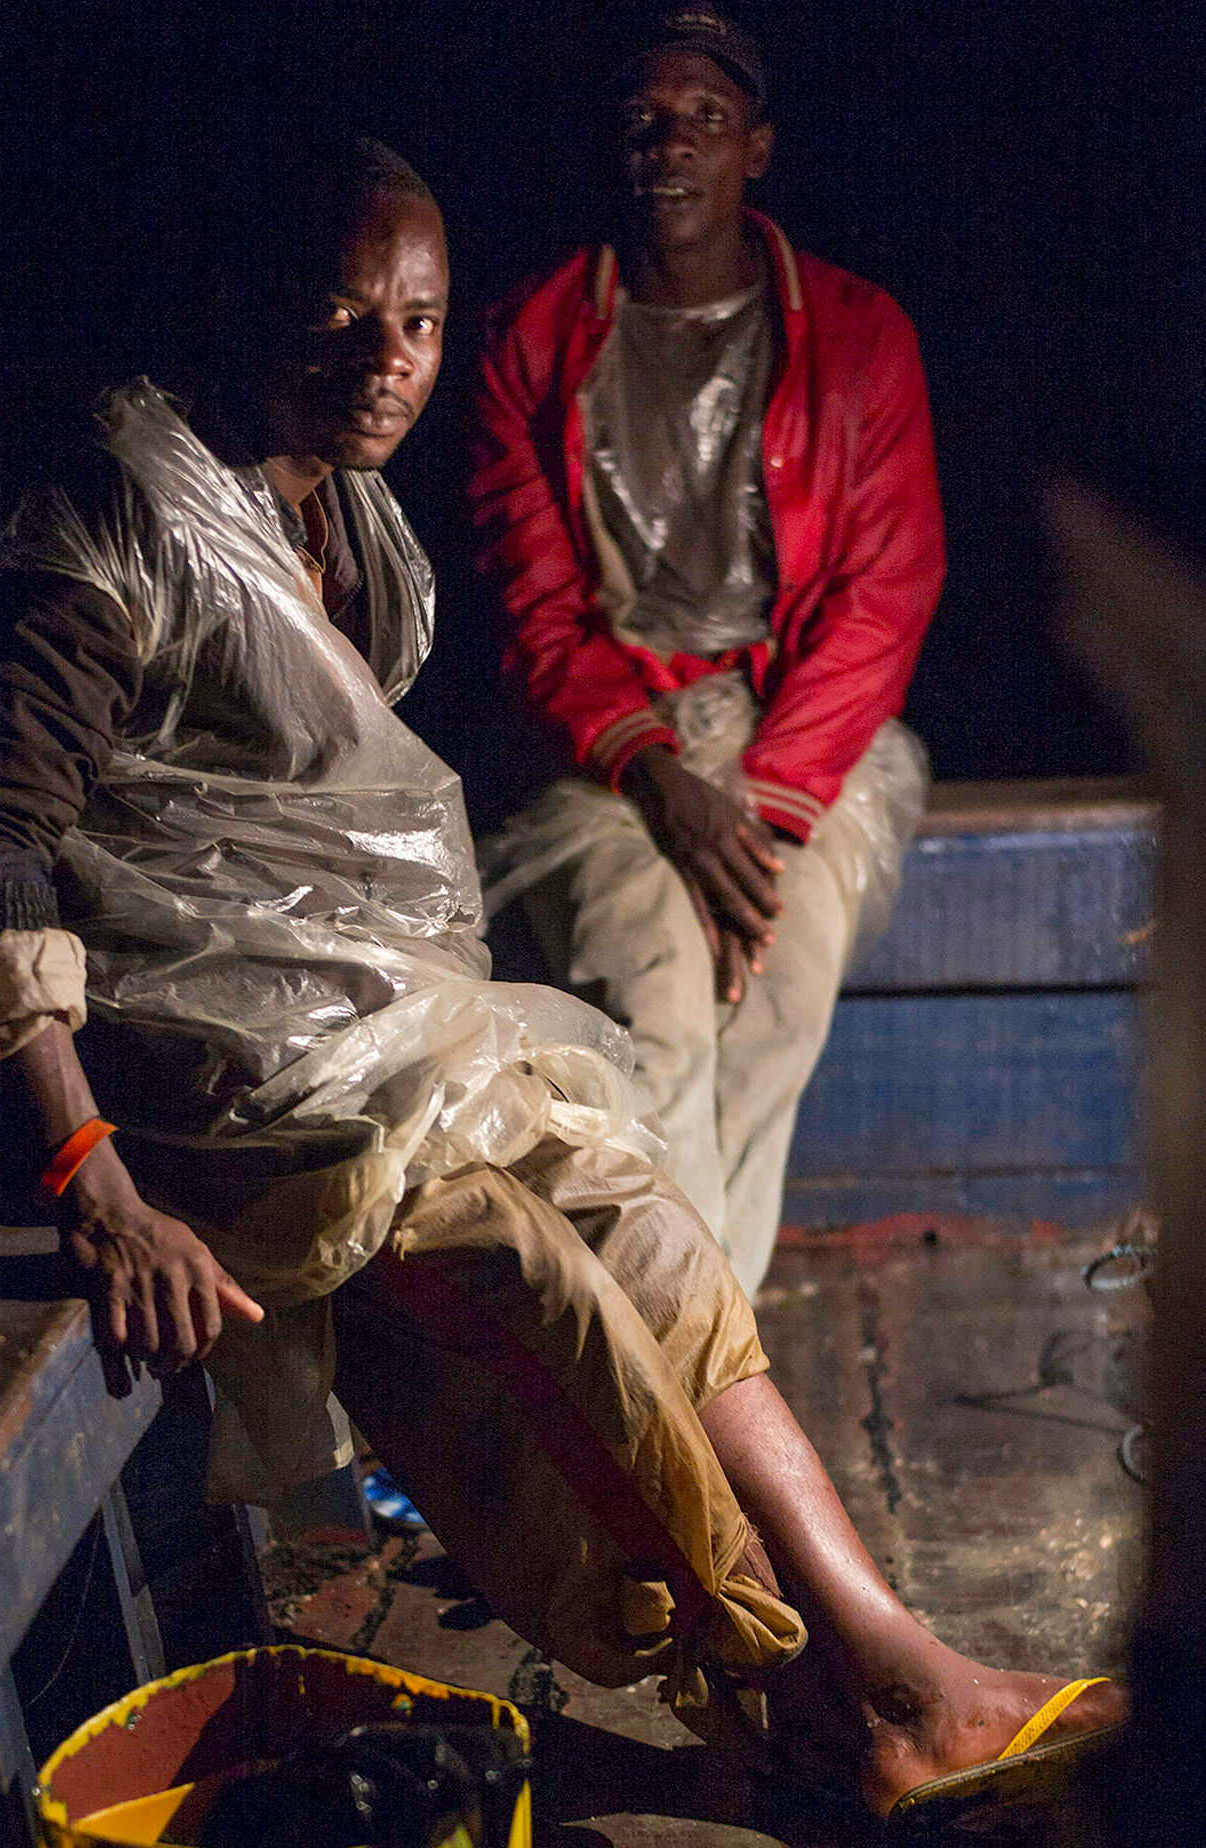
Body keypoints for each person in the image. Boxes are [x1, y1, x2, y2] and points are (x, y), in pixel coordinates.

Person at [0, 137, 1120, 1827]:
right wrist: (91, 1177)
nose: (384, 361)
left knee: (646, 1227)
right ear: (247, 299)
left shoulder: (335, 507)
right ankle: (809, 1710)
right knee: (539, 1295)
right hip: (201, 1067)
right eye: (341, 313)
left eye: (415, 322)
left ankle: (890, 1656)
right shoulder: (118, 512)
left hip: (365, 1024)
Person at [471, 6, 945, 1297]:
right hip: (611, 745)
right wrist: (661, 782)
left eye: (704, 119)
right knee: (657, 1020)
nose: (668, 145)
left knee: (774, 1013)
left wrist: (766, 815)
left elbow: (883, 588)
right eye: (641, 120)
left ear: (757, 149)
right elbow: (536, 605)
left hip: (795, 736)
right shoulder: (533, 336)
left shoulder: (855, 334)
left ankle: (697, 1383)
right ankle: (707, 1398)